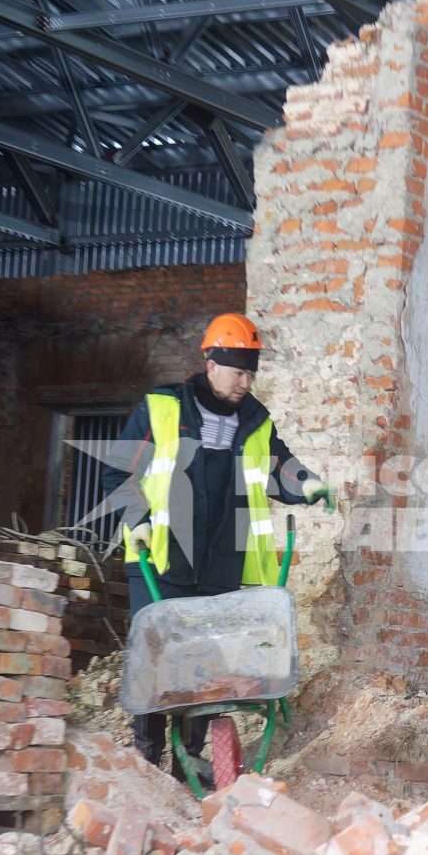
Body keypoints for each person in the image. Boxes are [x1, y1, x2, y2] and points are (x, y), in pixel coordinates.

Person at [99, 312, 332, 783]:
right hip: (161, 558)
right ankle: (147, 758)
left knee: (204, 670)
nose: (245, 382)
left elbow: (278, 465)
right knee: (157, 658)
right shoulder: (164, 407)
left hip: (219, 566)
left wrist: (306, 484)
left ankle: (190, 764)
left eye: (251, 373)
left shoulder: (254, 420)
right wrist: (137, 524)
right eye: (237, 371)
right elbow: (120, 471)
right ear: (210, 363)